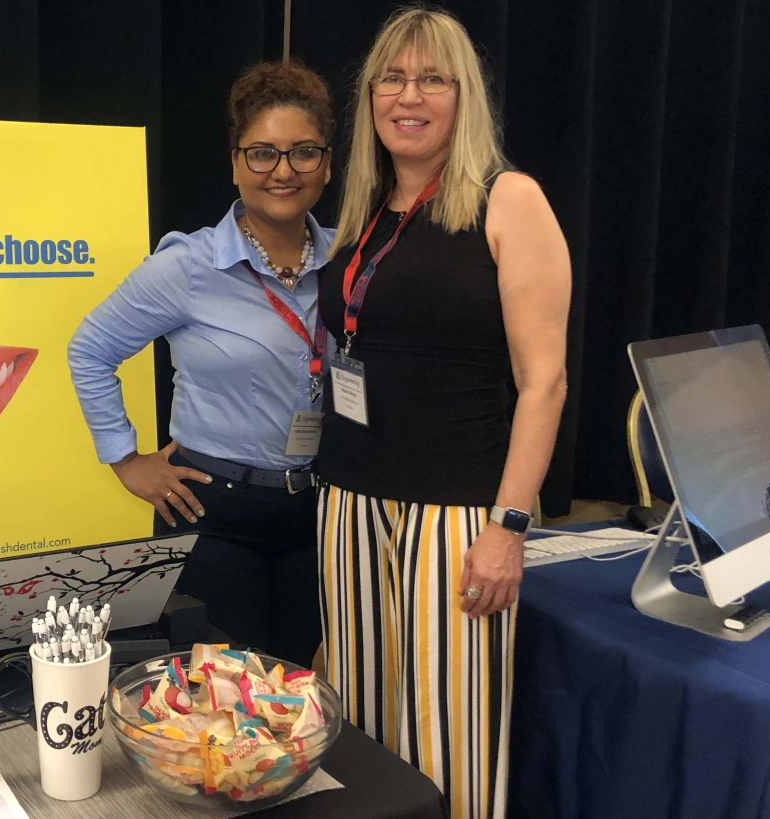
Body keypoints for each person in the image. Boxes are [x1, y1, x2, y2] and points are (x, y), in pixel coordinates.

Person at [315, 7, 570, 818]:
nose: (408, 94)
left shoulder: (508, 199)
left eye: (432, 77)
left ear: (464, 98)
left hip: (456, 516)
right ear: (370, 97)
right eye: (392, 77)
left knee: (448, 738)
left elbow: (546, 381)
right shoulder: (363, 213)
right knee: (356, 731)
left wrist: (509, 526)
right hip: (349, 499)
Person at [67, 61, 335, 668]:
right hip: (216, 516)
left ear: (326, 162)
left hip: (317, 514)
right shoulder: (187, 267)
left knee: (298, 689)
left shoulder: (347, 261)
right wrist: (126, 461)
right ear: (236, 162)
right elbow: (90, 349)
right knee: (221, 698)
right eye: (263, 153)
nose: (283, 171)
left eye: (303, 153)